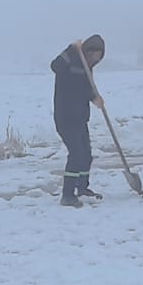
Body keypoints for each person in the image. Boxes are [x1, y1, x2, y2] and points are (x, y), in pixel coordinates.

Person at [50, 35, 107, 207]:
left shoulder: (86, 68)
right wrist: (70, 50)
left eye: (98, 56)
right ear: (85, 51)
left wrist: (95, 97)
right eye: (92, 54)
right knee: (76, 155)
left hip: (80, 118)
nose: (94, 58)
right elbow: (55, 66)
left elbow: (84, 88)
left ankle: (82, 188)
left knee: (86, 155)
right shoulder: (71, 61)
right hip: (66, 118)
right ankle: (67, 195)